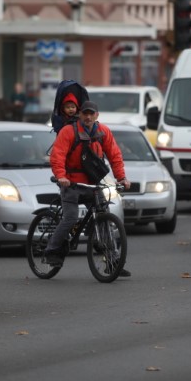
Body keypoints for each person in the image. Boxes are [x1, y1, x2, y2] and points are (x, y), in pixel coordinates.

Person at [45, 100, 132, 276]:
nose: (88, 116)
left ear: (97, 115)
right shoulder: (69, 131)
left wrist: (121, 177)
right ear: (79, 114)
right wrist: (61, 176)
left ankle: (113, 261)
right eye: (85, 113)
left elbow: (115, 155)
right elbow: (58, 155)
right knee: (70, 217)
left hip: (93, 183)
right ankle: (52, 250)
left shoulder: (103, 131)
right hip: (72, 183)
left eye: (92, 113)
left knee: (104, 218)